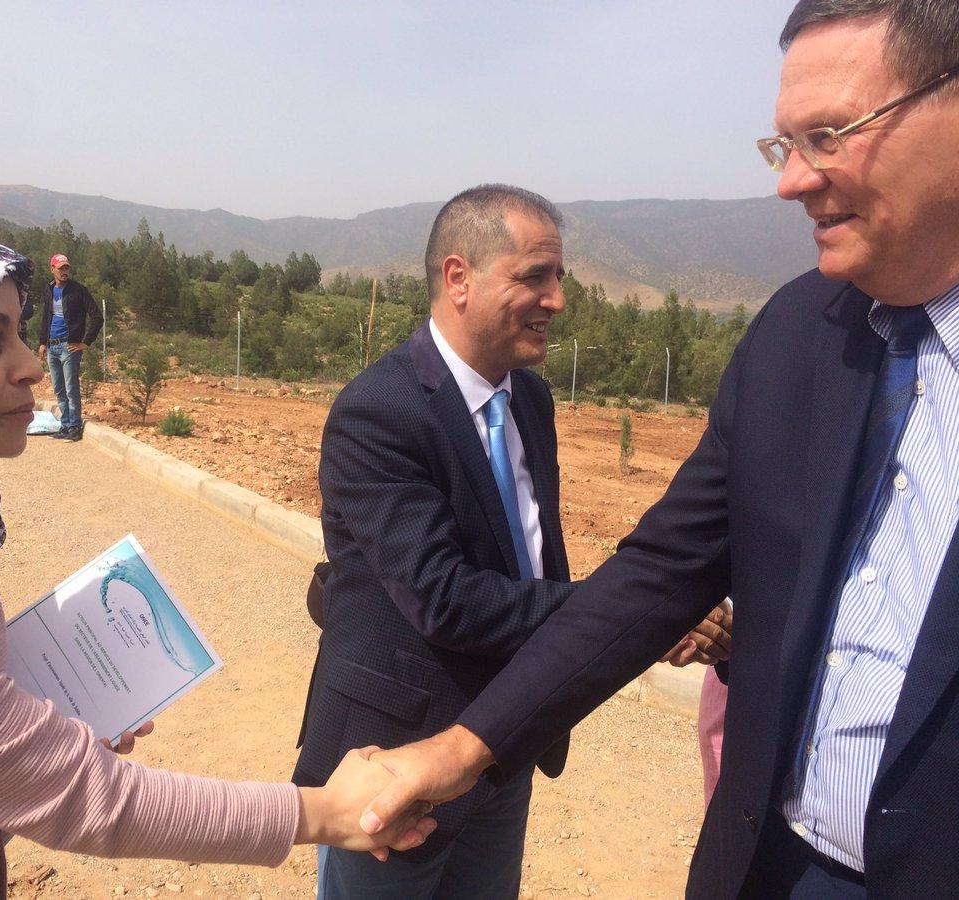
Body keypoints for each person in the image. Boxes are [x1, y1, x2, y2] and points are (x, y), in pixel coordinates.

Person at [359, 3, 959, 897]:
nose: (791, 182)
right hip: (769, 867)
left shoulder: (531, 398)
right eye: (783, 144)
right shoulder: (800, 332)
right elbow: (660, 571)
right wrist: (460, 750)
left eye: (829, 136)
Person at [0, 220, 432, 898]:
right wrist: (325, 813)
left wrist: (18, 724)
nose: (28, 365)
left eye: (21, 332)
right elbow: (85, 798)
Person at [293, 185, 727, 899]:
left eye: (558, 277)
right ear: (458, 278)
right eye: (535, 276)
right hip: (397, 759)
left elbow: (528, 560)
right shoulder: (381, 411)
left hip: (503, 739)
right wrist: (629, 612)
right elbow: (445, 599)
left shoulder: (530, 399)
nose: (557, 299)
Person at [37, 252, 102, 441]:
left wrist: (85, 342)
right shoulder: (49, 290)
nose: (64, 271)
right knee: (58, 389)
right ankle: (65, 425)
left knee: (71, 388)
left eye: (67, 268)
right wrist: (42, 342)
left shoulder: (79, 290)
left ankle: (74, 427)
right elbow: (45, 317)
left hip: (69, 346)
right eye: (61, 268)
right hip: (52, 346)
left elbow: (97, 317)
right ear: (52, 270)